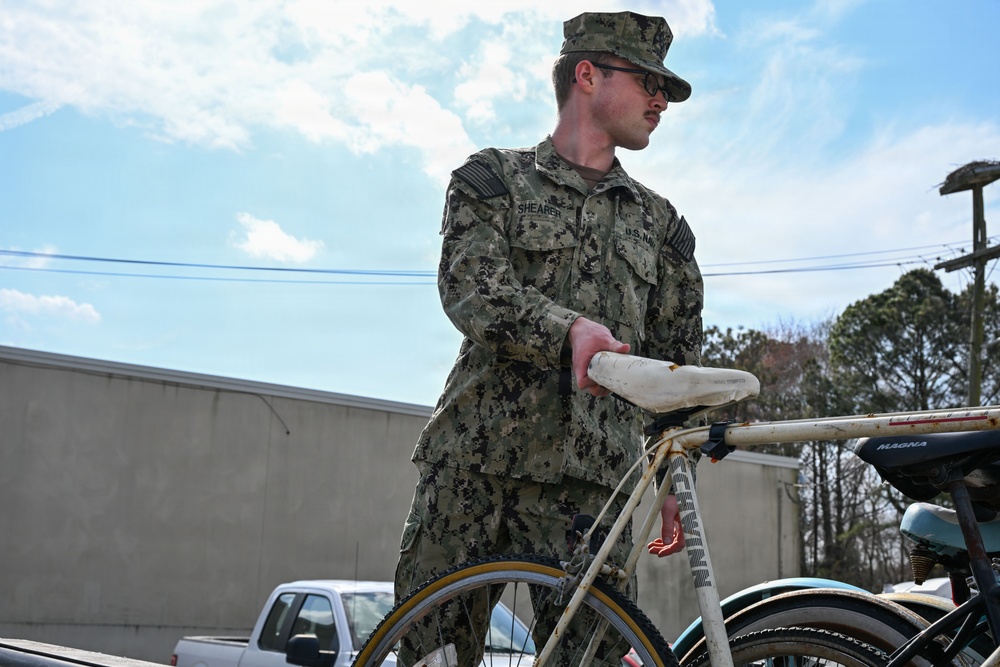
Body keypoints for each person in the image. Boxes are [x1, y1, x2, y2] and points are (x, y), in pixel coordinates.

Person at [394, 10, 704, 667]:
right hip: (472, 474)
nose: (660, 100)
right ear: (587, 75)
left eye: (666, 90)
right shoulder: (493, 181)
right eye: (647, 80)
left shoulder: (663, 227)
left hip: (592, 497)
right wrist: (568, 331)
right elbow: (471, 288)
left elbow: (677, 364)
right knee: (432, 659)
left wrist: (678, 472)